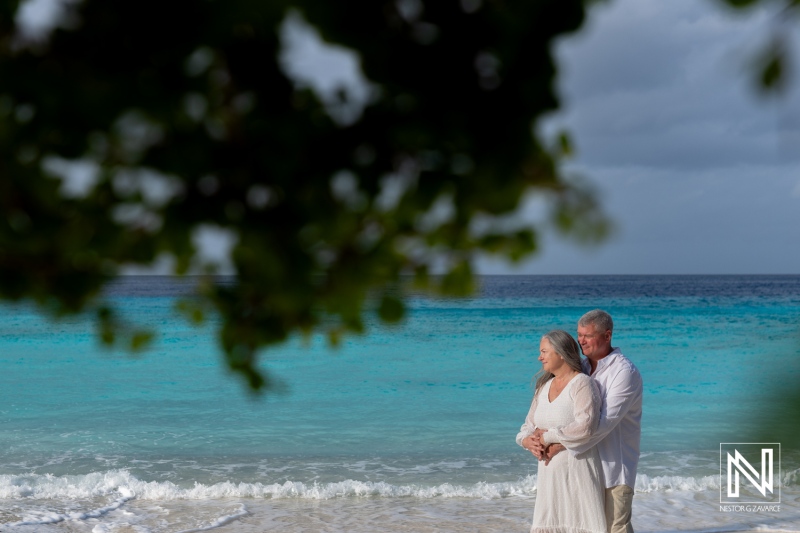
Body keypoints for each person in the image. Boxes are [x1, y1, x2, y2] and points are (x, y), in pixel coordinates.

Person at [533, 310, 643, 533]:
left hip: (613, 467)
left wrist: (555, 444)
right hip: (583, 469)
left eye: (588, 335)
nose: (581, 340)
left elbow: (602, 424)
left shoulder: (624, 372)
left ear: (607, 335)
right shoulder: (580, 369)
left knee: (615, 528)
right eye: (579, 334)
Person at [516, 329, 606, 533]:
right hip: (549, 483)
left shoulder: (582, 384)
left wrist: (547, 437)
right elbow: (527, 427)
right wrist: (527, 441)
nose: (540, 357)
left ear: (561, 353)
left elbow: (587, 425)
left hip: (577, 476)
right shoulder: (543, 387)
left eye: (544, 351)